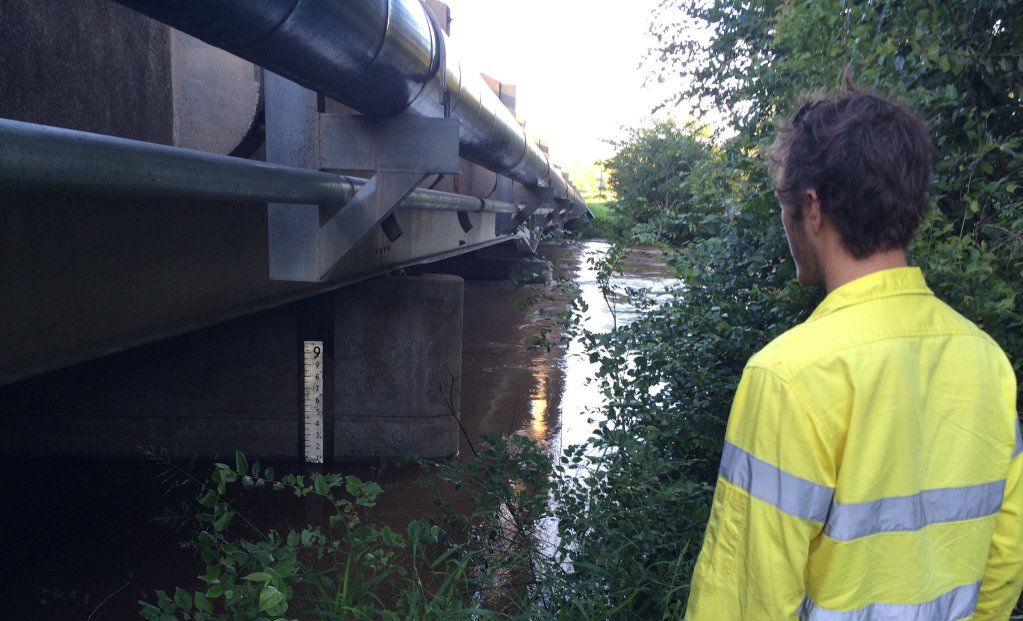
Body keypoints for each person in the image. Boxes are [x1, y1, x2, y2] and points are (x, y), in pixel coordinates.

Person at [684, 90, 1022, 620]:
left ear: (813, 208)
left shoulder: (789, 377)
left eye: (786, 209)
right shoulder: (989, 363)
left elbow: (745, 600)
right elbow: (1002, 564)